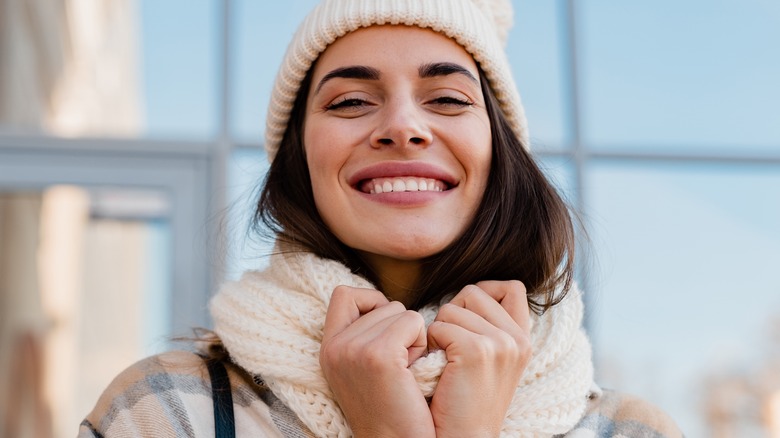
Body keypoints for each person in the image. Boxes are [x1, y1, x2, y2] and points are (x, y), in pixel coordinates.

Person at [79, 0, 684, 436]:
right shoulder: (166, 410)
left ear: (500, 153)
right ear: (300, 157)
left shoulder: (630, 432)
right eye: (351, 102)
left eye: (447, 99)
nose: (402, 127)